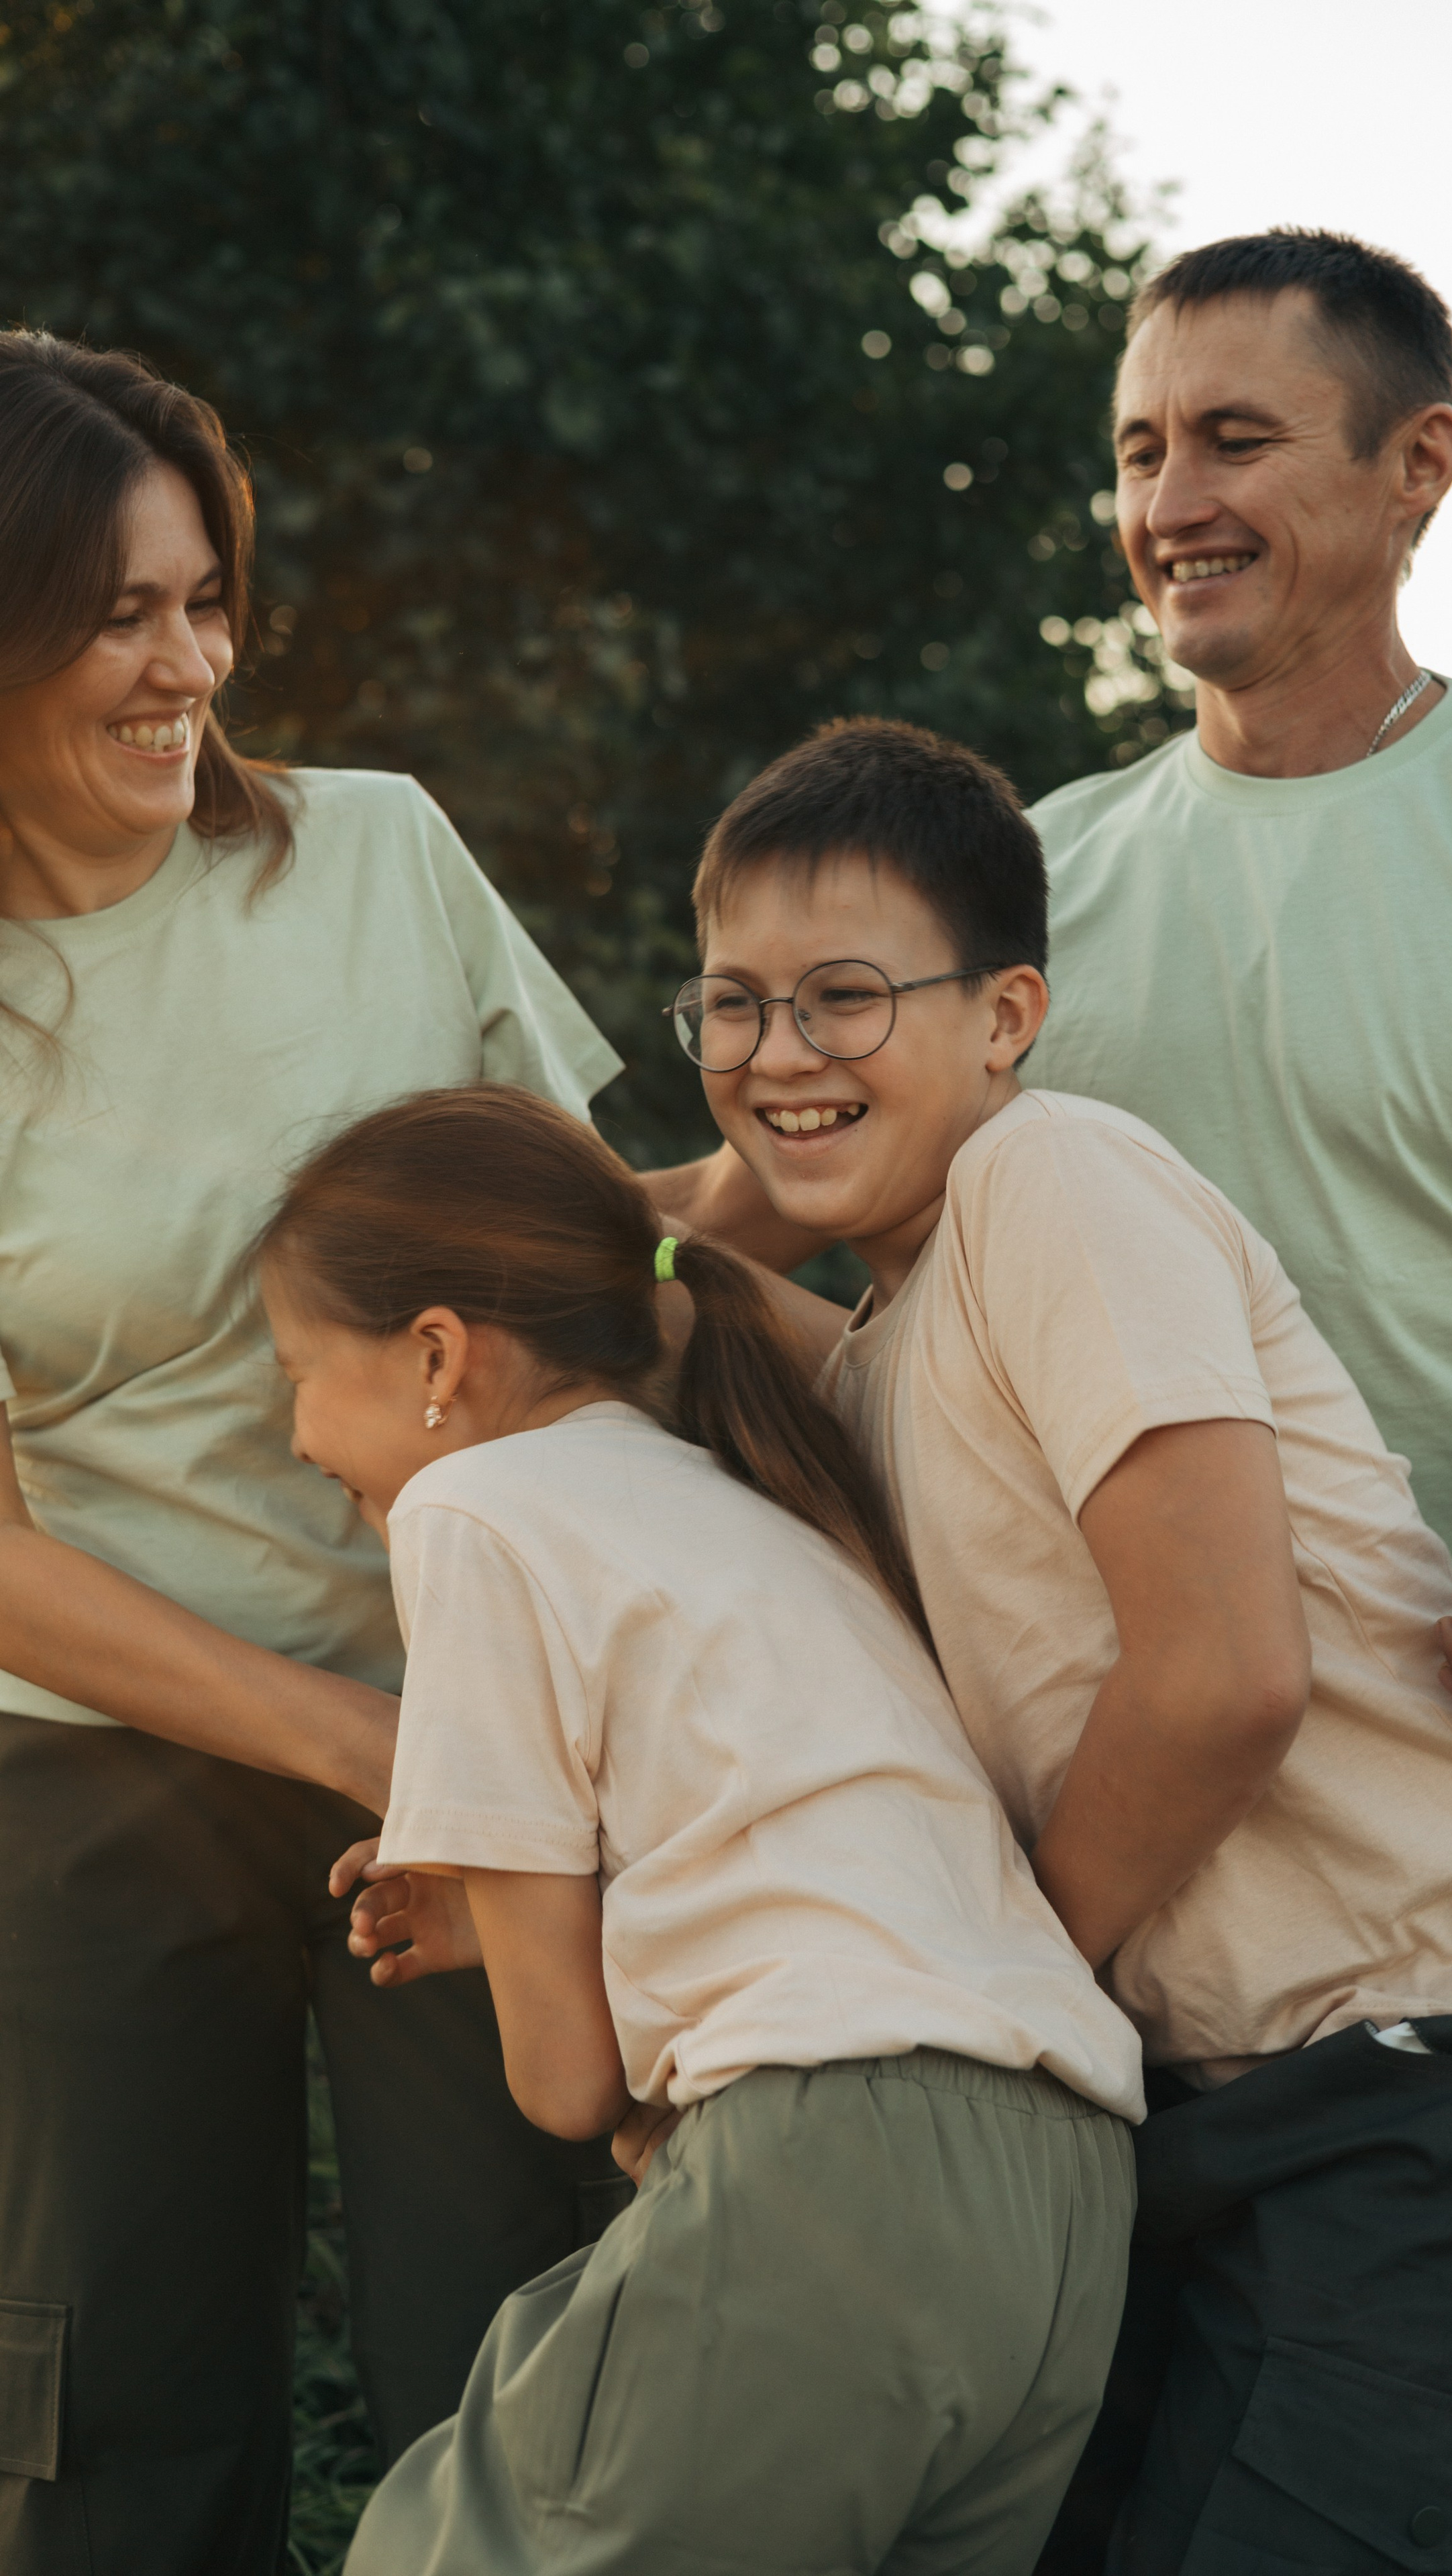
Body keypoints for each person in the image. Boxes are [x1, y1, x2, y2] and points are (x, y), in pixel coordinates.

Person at [674, 711, 1452, 2576]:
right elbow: (685, 1288)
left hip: (1446, 2033)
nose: (778, 1055)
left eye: (842, 999)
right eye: (730, 1005)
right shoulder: (901, 1316)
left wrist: (1008, 1993)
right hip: (1241, 2060)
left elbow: (1224, 1677)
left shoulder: (1058, 1183)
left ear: (1009, 1017)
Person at [1017, 227, 1452, 2576]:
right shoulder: (1032, 886)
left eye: (1236, 438)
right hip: (1187, 1815)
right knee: (1158, 2453)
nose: (1170, 499)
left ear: (1418, 469)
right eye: (1137, 449)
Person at [0, 331, 635, 2575]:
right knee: (115, 2417)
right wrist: (364, 1742)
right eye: (117, 613)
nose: (188, 665)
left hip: (486, 1718)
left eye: (209, 599)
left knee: (522, 2361)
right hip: (87, 1761)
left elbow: (603, 1268)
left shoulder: (379, 853)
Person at [235, 1079, 1143, 2576]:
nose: (293, 1429)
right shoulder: (757, 1496)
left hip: (830, 2172)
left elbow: (566, 2079)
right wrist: (533, 1910)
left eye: (295, 1372)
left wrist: (541, 1958)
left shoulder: (471, 1509)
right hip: (1061, 2198)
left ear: (437, 1355)